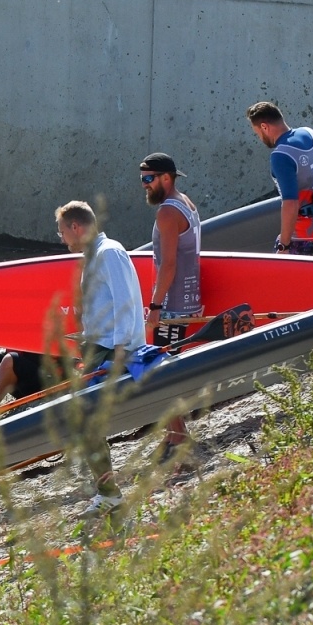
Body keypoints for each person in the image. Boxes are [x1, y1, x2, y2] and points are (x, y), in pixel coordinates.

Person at [55, 201, 145, 517]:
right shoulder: (95, 257)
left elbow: (127, 303)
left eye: (63, 232)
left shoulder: (109, 254)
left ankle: (110, 494)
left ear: (76, 227)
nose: (63, 239)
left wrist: (121, 352)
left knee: (85, 421)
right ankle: (106, 491)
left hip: (112, 352)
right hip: (97, 349)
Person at [139, 152, 201, 463]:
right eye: (142, 180)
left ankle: (180, 438)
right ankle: (174, 434)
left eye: (149, 179)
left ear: (166, 178)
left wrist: (155, 306)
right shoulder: (186, 202)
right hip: (187, 299)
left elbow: (169, 265)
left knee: (161, 370)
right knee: (168, 366)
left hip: (172, 304)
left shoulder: (167, 212)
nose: (145, 186)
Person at [246, 101, 313, 255]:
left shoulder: (280, 155)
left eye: (257, 133)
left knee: (279, 276)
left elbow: (291, 203)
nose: (260, 138)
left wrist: (284, 245)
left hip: (305, 236)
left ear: (264, 127)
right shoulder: (311, 133)